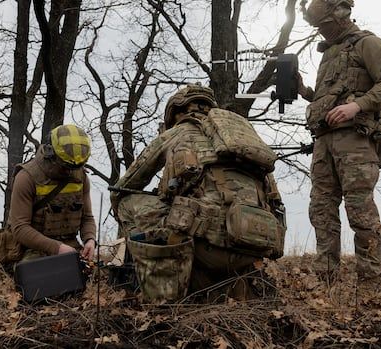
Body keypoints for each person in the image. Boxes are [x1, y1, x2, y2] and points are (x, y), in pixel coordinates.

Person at [111, 84, 286, 303]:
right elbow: (275, 201)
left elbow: (124, 186)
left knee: (126, 202)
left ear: (175, 113)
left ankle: (159, 278)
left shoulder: (175, 134)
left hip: (205, 248)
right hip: (253, 247)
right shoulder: (246, 143)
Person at [298, 0, 381, 283]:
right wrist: (304, 91)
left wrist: (358, 106)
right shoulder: (329, 54)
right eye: (318, 28)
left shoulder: (368, 43)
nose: (321, 32)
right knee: (321, 210)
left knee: (359, 210)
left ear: (341, 15)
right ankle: (325, 283)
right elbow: (327, 98)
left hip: (355, 141)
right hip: (323, 142)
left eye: (324, 26)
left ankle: (370, 285)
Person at [9, 124, 97, 263]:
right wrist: (57, 248)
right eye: (65, 166)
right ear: (50, 154)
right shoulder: (26, 177)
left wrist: (90, 240)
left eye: (75, 167)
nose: (70, 171)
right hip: (33, 249)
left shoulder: (81, 177)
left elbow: (87, 217)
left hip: (70, 247)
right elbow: (20, 228)